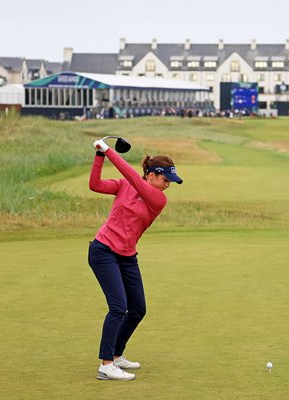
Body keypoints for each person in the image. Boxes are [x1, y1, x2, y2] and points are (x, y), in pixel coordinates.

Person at [87, 138, 183, 381]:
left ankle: (117, 354)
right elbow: (95, 185)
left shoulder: (158, 199)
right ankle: (106, 364)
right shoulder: (124, 185)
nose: (167, 185)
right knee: (118, 307)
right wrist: (100, 156)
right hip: (103, 251)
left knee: (138, 309)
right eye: (165, 180)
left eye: (170, 182)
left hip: (127, 256)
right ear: (151, 174)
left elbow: (131, 176)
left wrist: (108, 150)